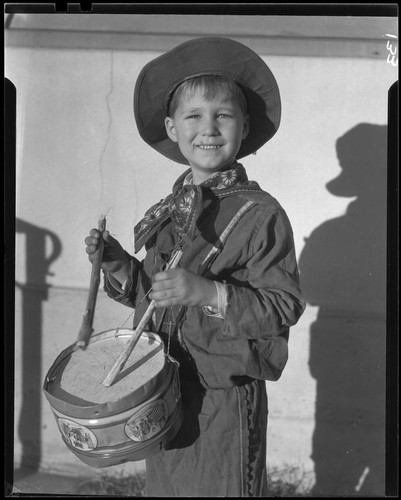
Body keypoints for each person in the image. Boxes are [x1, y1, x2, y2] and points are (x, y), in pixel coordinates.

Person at [85, 37, 305, 497]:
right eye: (194, 116)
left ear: (244, 127)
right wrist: (119, 264)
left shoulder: (262, 214)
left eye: (223, 115)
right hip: (163, 388)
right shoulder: (170, 211)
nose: (209, 128)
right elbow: (153, 295)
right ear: (172, 126)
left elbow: (282, 305)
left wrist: (206, 293)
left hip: (222, 398)